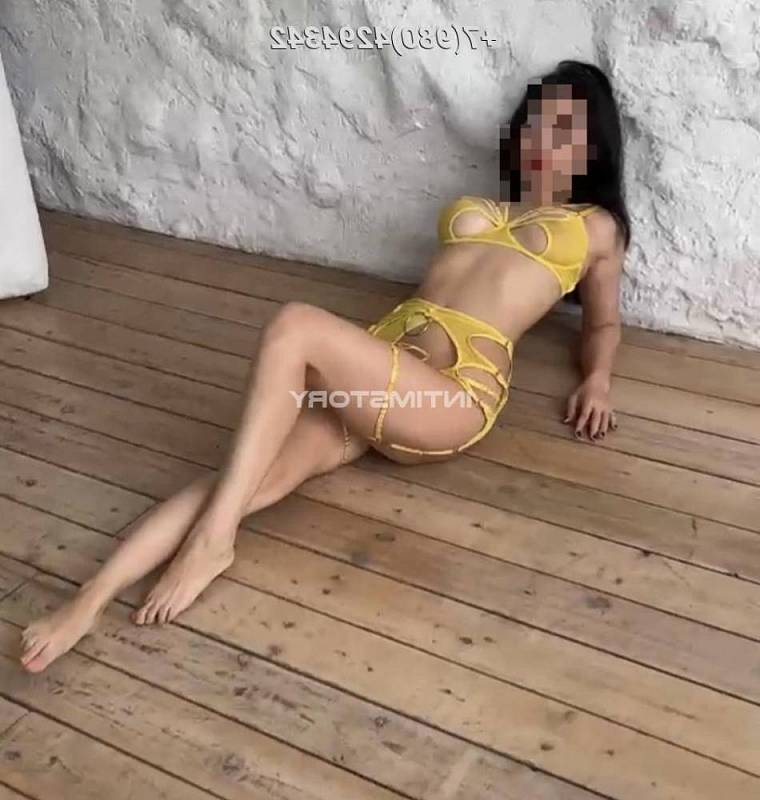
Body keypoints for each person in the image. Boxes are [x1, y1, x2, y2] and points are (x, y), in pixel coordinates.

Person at [19, 59, 630, 672]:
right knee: (240, 478)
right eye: (535, 122)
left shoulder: (595, 228)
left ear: (592, 150)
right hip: (382, 368)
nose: (541, 138)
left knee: (296, 326)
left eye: (564, 130)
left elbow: (603, 323)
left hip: (450, 394)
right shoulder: (482, 207)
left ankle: (212, 542)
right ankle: (89, 599)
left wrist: (597, 381)